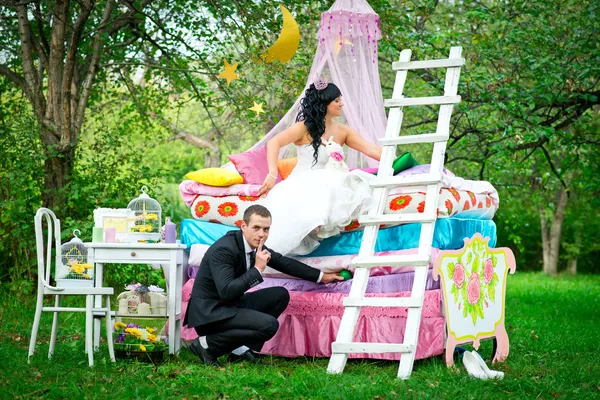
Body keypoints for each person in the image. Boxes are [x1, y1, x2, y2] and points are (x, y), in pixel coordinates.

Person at [184, 205, 343, 366]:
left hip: (229, 306)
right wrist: (257, 269)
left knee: (279, 295)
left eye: (266, 229)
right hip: (211, 314)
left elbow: (283, 262)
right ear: (244, 227)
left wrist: (322, 277)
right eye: (256, 228)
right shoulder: (225, 249)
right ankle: (205, 344)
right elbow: (226, 292)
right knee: (268, 326)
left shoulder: (252, 245)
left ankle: (239, 349)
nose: (261, 234)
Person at [258, 79, 382, 255]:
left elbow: (370, 148)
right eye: (337, 100)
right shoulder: (304, 127)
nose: (342, 104)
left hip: (333, 178)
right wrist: (271, 174)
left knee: (358, 182)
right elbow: (274, 142)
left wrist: (394, 159)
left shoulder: (343, 130)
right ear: (324, 104)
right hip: (304, 180)